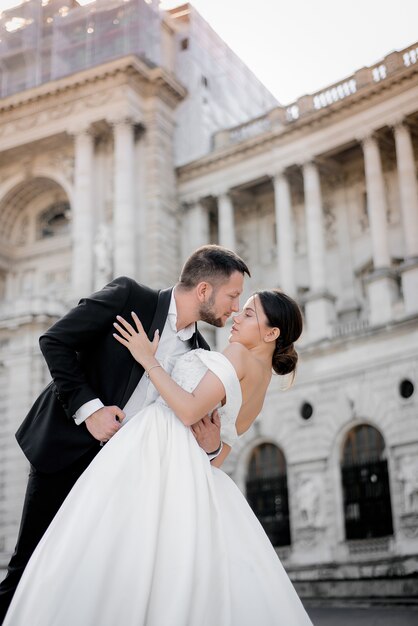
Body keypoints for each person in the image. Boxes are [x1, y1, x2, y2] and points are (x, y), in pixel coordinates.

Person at [3, 288, 313, 625]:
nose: (237, 315)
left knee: (103, 555)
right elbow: (218, 453)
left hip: (152, 448)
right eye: (239, 304)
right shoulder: (262, 385)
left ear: (272, 333)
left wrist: (147, 359)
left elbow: (189, 408)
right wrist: (208, 446)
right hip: (185, 470)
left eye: (249, 313)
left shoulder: (236, 354)